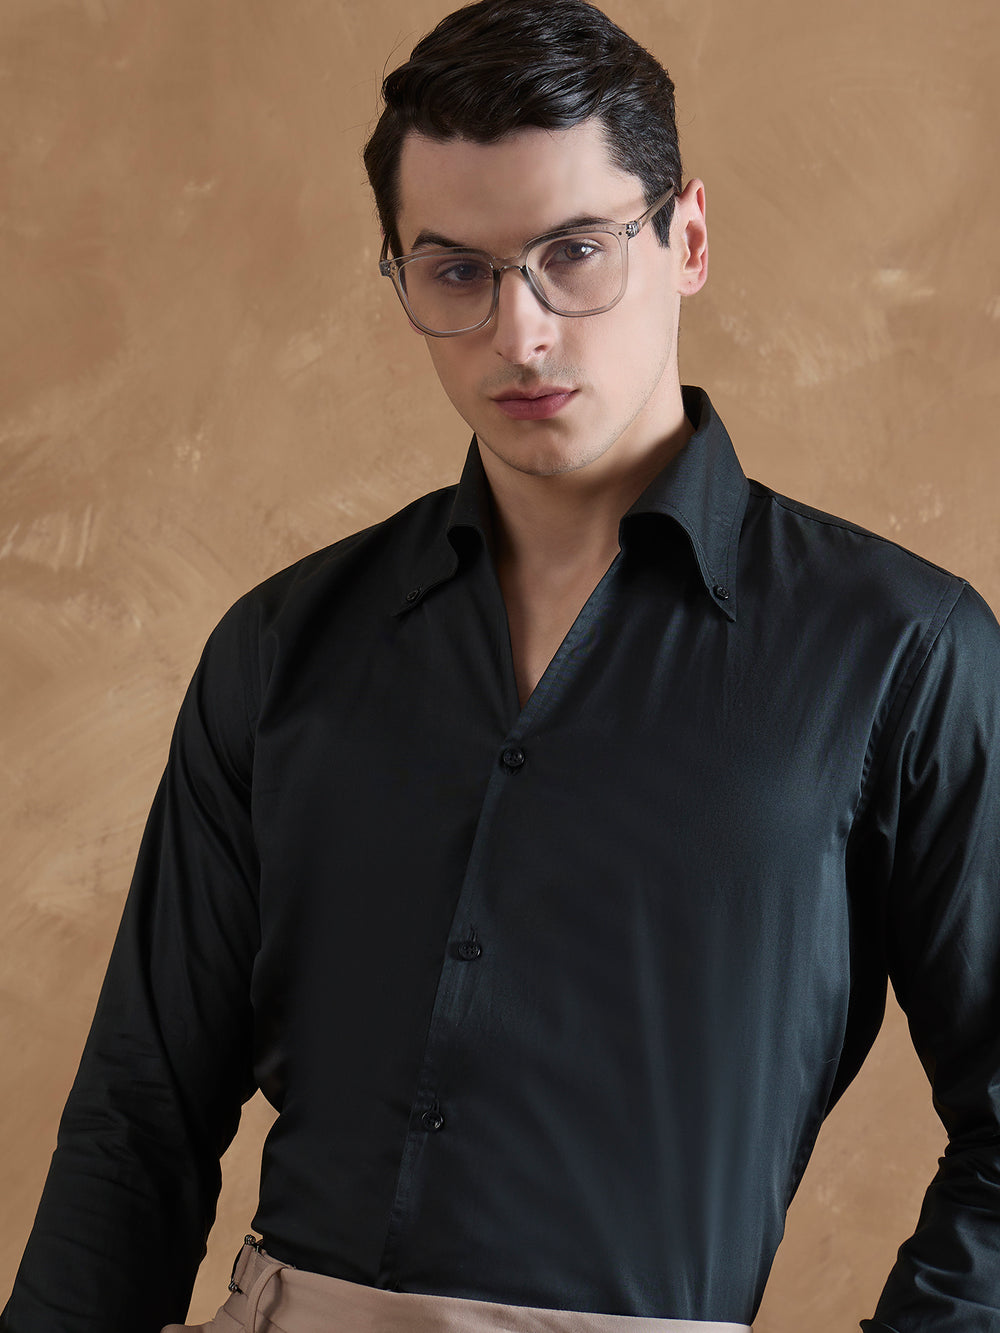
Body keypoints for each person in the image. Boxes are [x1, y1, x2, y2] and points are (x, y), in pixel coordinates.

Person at [4, 2, 1000, 1331]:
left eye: (575, 253)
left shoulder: (903, 651)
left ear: (687, 239)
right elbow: (139, 1115)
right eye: (457, 272)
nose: (519, 334)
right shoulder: (281, 645)